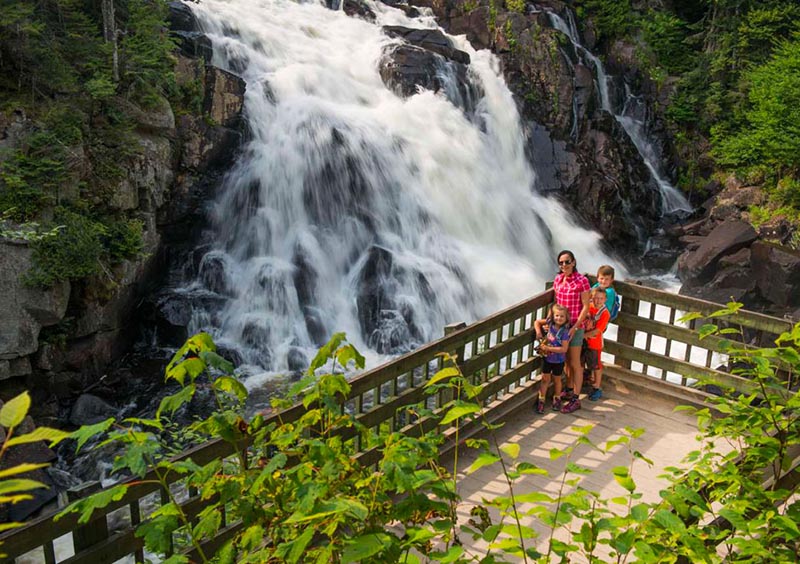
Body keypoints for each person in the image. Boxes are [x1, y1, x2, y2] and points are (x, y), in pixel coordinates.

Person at [552, 250, 590, 414]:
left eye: (567, 262)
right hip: (561, 327)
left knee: (575, 363)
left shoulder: (582, 281)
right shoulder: (558, 279)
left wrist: (575, 327)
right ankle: (568, 389)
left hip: (576, 327)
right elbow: (556, 303)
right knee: (566, 360)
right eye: (561, 263)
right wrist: (550, 321)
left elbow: (586, 306)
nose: (564, 265)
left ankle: (576, 398)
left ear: (573, 262)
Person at [533, 304, 571, 413]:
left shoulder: (564, 332)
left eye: (562, 316)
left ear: (566, 318)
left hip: (558, 360)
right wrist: (538, 332)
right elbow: (537, 322)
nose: (559, 318)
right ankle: (541, 400)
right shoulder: (550, 324)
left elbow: (564, 349)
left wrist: (548, 348)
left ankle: (557, 398)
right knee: (545, 379)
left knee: (557, 380)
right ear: (553, 316)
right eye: (557, 315)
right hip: (547, 358)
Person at [584, 287, 610, 401]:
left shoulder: (605, 313)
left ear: (605, 299)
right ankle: (588, 380)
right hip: (585, 341)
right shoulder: (588, 306)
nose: (598, 301)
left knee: (596, 365)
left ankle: (597, 387)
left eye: (601, 298)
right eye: (596, 298)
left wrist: (582, 336)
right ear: (591, 297)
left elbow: (598, 331)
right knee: (584, 362)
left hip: (595, 343)